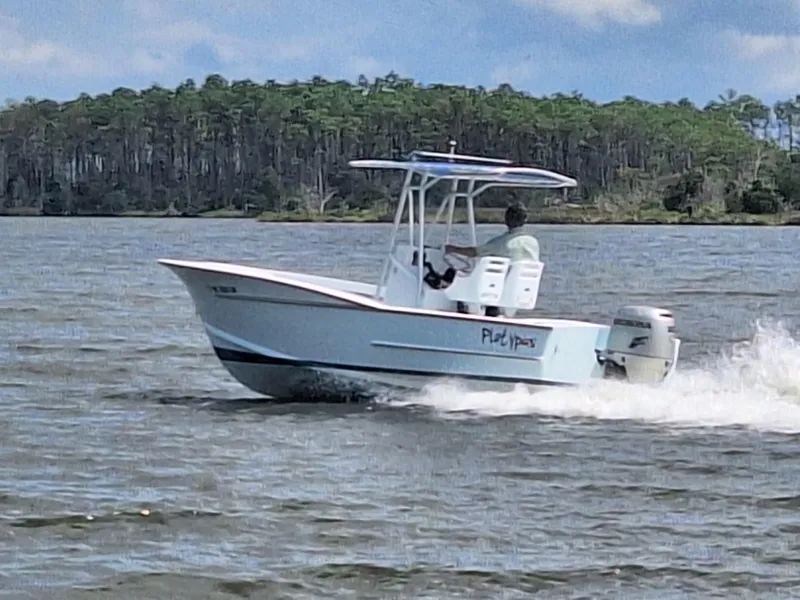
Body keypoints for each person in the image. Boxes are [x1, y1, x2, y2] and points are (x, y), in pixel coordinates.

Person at [444, 201, 540, 262]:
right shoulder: (534, 242)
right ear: (525, 219)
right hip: (526, 289)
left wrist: (451, 249)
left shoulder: (501, 243)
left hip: (505, 287)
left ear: (506, 219)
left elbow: (474, 252)